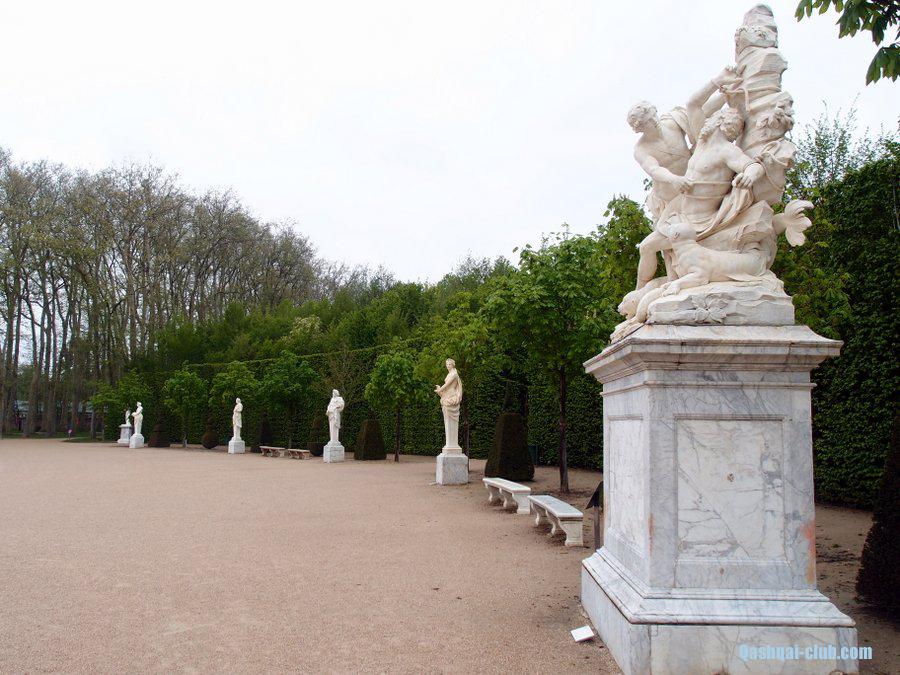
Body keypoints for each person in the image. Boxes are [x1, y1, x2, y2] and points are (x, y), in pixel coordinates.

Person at [434, 359, 463, 451]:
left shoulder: (454, 374)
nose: (448, 366)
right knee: (447, 419)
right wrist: (440, 391)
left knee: (450, 420)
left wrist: (440, 390)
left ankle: (452, 445)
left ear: (453, 365)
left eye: (449, 364)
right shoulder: (449, 373)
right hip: (447, 395)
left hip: (451, 395)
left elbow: (447, 385)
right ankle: (449, 444)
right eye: (447, 364)